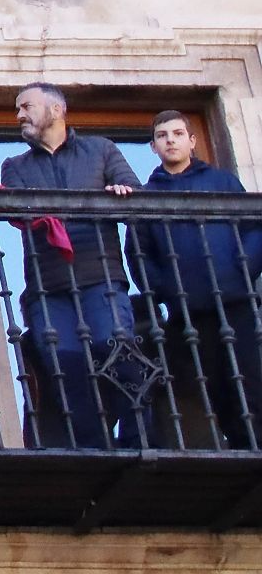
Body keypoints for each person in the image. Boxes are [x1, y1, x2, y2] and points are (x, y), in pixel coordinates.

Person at [1, 82, 144, 448]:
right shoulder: (14, 165)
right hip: (47, 287)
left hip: (100, 277)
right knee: (65, 371)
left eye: (26, 106)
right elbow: (16, 209)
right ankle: (95, 447)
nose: (19, 115)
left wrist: (120, 193)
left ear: (56, 110)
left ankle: (138, 438)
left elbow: (133, 189)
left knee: (118, 351)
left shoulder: (100, 150)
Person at [130, 110, 262, 448]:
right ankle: (240, 450)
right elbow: (139, 254)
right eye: (162, 135)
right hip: (188, 313)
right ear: (153, 146)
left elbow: (254, 230)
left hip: (237, 304)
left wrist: (241, 270)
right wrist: (169, 291)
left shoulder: (222, 183)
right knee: (212, 386)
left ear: (192, 141)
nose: (170, 140)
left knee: (251, 380)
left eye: (177, 133)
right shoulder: (148, 196)